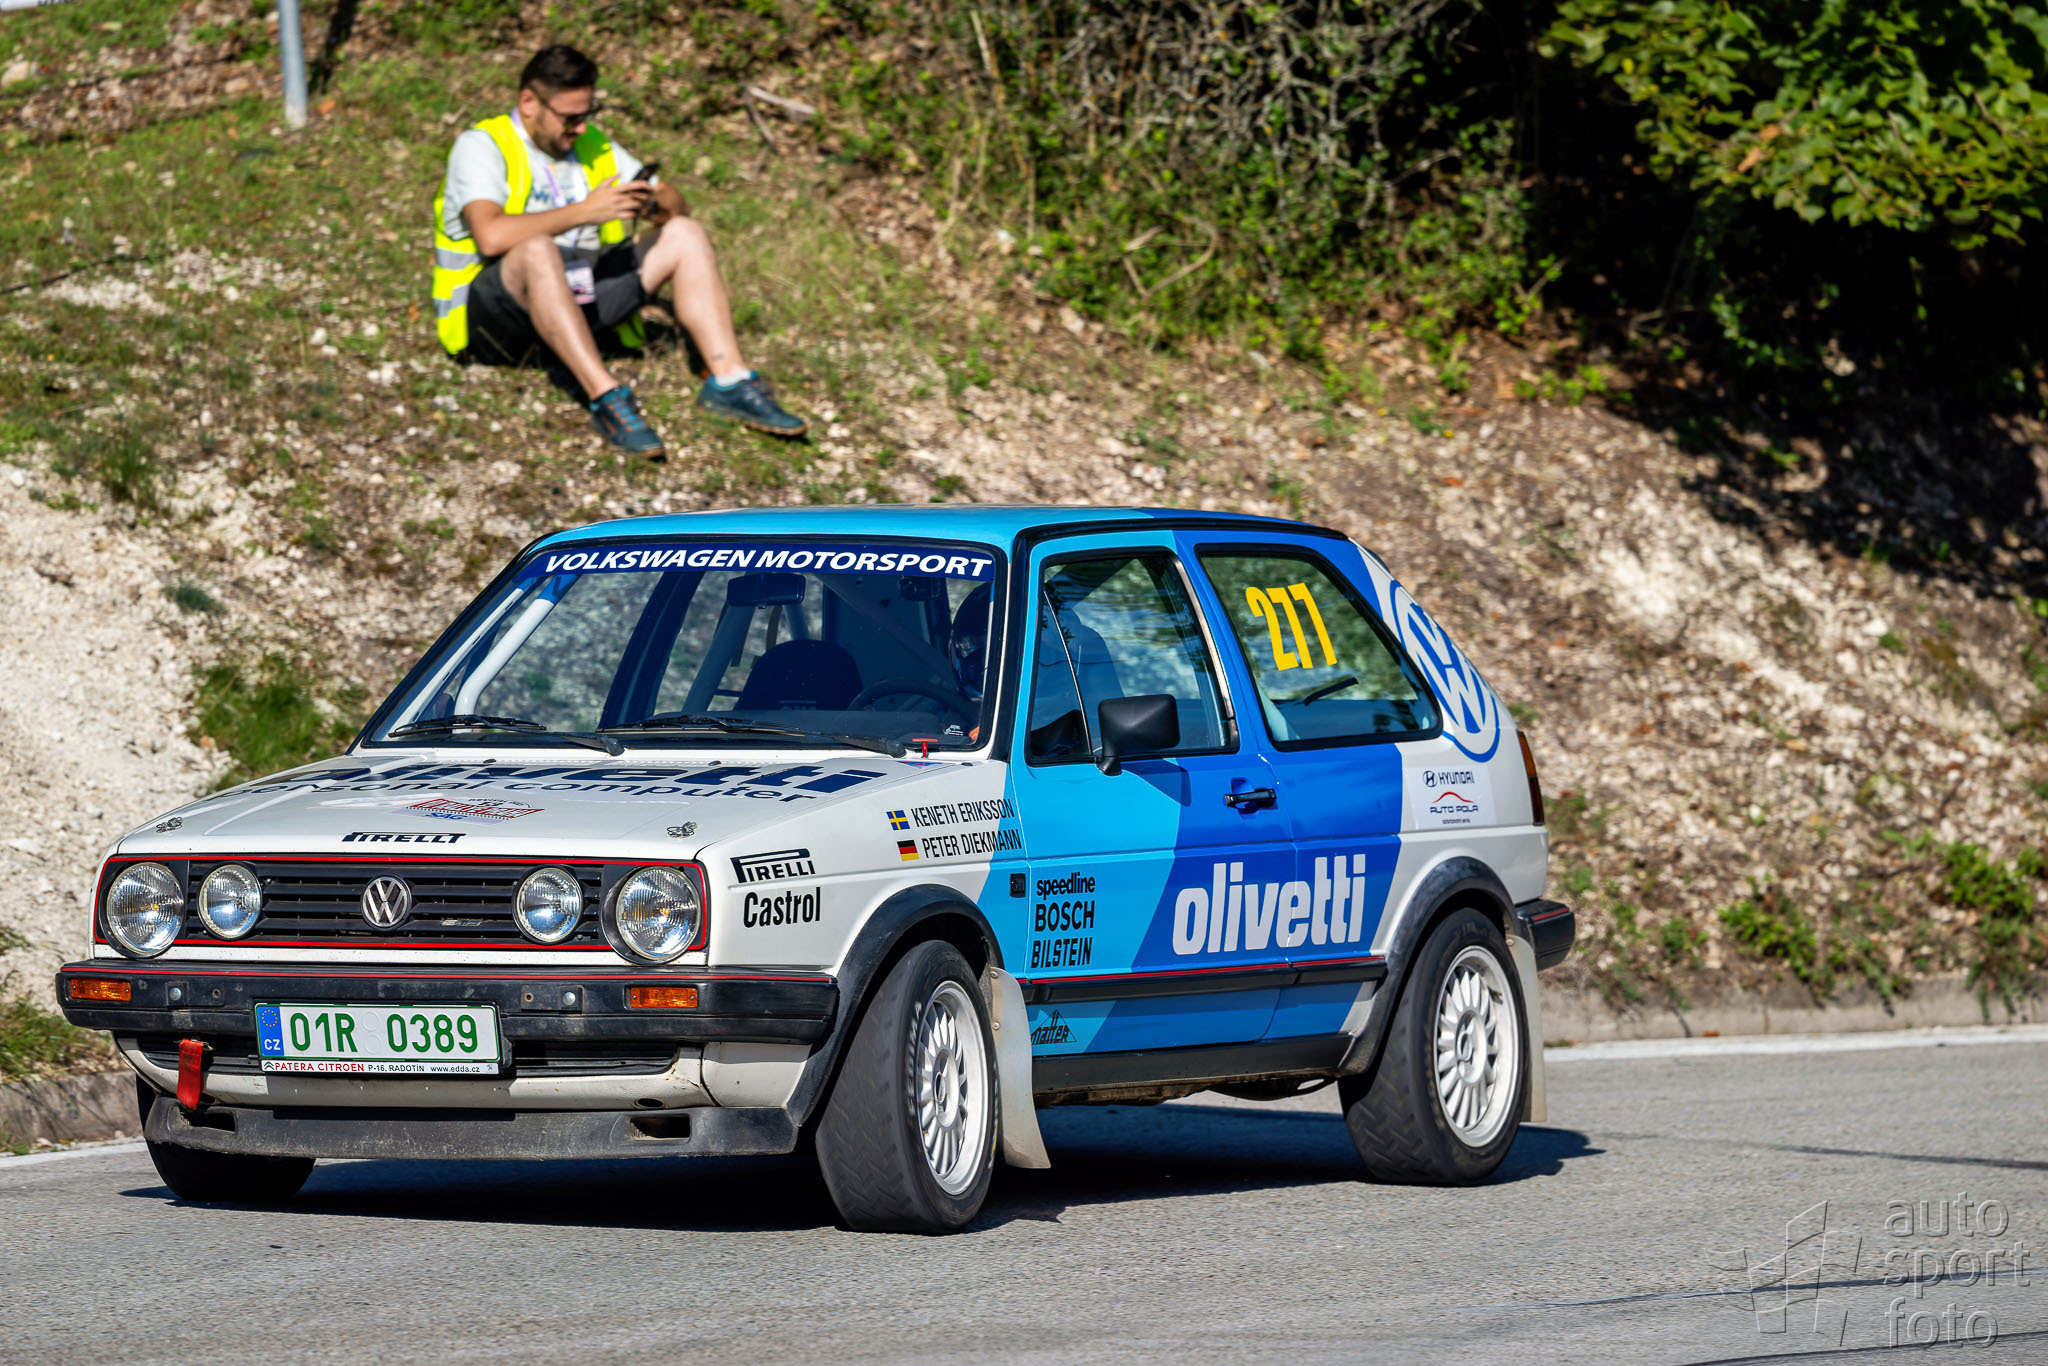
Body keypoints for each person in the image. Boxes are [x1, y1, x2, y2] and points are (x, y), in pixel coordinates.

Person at [431, 44, 806, 455]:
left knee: (685, 233)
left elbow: (678, 206)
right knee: (538, 249)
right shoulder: (482, 145)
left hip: (579, 298)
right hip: (496, 321)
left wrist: (649, 204)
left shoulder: (593, 145)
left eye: (588, 114)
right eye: (570, 118)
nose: (580, 128)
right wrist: (584, 212)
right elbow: (491, 236)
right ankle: (606, 396)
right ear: (529, 103)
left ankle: (729, 380)